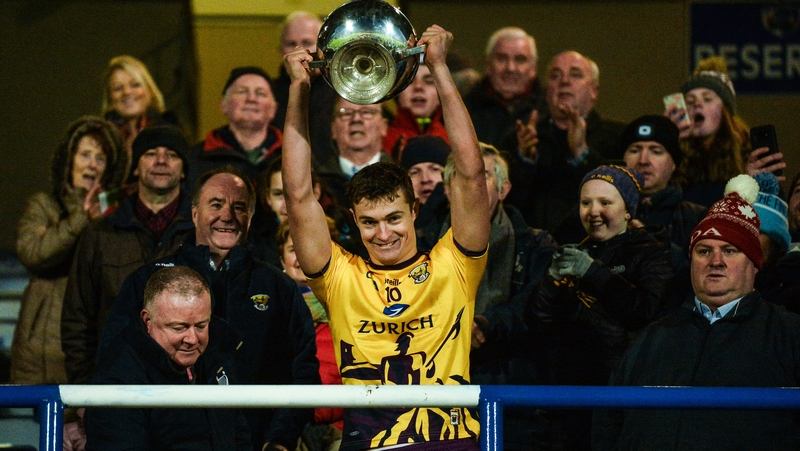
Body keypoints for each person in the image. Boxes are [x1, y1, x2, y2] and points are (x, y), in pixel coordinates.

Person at [282, 24, 491, 451]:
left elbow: (471, 176)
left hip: (451, 444)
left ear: (415, 211)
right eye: (369, 222)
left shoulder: (454, 263)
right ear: (355, 224)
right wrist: (299, 91)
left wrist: (439, 69)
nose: (383, 233)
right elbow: (298, 194)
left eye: (394, 217)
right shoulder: (340, 276)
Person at [99, 166, 320, 451]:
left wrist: (279, 439)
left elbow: (304, 372)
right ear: (194, 214)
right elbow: (113, 364)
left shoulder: (279, 287)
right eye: (215, 204)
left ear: (250, 219)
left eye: (238, 207)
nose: (227, 216)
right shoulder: (146, 282)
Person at [593, 174, 800, 451]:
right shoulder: (652, 337)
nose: (716, 261)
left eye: (730, 250)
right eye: (704, 251)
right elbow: (609, 419)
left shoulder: (789, 335)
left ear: (754, 264)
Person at [419, 144, 557, 450]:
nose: (470, 185)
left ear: (504, 188)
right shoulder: (420, 243)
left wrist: (486, 324)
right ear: (446, 188)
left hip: (513, 390)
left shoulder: (535, 245)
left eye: (480, 175)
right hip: (436, 386)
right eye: (461, 176)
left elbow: (538, 307)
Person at [528, 165, 672, 450]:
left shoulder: (651, 252)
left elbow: (643, 310)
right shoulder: (574, 251)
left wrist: (593, 272)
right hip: (566, 400)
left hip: (619, 397)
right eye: (586, 203)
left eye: (605, 202)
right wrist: (550, 281)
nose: (593, 211)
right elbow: (536, 321)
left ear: (628, 210)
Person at [61, 124, 194, 384]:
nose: (161, 161)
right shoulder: (99, 234)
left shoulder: (203, 233)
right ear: (135, 167)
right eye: (150, 153)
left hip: (185, 392)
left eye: (172, 155)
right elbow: (77, 322)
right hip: (115, 387)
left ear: (183, 171)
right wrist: (86, 394)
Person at [10, 116, 127, 385]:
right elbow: (33, 254)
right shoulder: (43, 206)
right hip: (38, 354)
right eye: (85, 154)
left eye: (100, 158)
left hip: (91, 349)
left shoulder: (117, 216)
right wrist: (81, 218)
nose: (92, 164)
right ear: (69, 160)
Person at [84, 265, 251, 451]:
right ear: (148, 321)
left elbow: (238, 434)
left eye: (201, 326)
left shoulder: (218, 357)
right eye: (179, 328)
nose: (192, 339)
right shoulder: (117, 380)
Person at [504, 51, 624, 233]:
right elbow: (506, 204)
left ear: (594, 91)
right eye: (555, 76)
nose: (564, 81)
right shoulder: (519, 139)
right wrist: (524, 162)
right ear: (546, 90)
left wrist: (582, 154)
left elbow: (617, 201)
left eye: (575, 75)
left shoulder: (617, 138)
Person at [668, 56, 785, 207]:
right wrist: (666, 143)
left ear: (725, 111)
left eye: (707, 99)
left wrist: (751, 184)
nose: (697, 104)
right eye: (689, 101)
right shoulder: (674, 158)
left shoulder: (750, 155)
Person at [276, 220, 344, 451]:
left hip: (342, 428)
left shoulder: (349, 304)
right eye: (294, 250)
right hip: (285, 427)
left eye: (311, 246)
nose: (303, 256)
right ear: (282, 259)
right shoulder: (269, 309)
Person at [186, 66, 282, 190]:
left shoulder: (294, 156)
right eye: (242, 92)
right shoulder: (194, 159)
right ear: (224, 105)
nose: (251, 99)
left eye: (261, 93)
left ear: (273, 109)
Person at [270, 11, 338, 172]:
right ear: (281, 51)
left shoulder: (344, 92)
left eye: (307, 42)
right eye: (290, 43)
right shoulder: (267, 95)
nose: (299, 50)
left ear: (324, 47)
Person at [464, 27, 544, 148]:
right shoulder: (463, 110)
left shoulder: (548, 112)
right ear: (487, 65)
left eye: (520, 60)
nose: (510, 68)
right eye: (502, 58)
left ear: (534, 68)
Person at [315, 97, 393, 208]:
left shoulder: (402, 179)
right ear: (333, 129)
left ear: (384, 126)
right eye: (346, 113)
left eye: (366, 112)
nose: (356, 119)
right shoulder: (318, 183)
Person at [101, 55, 174, 166]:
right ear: (109, 98)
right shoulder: (101, 139)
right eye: (118, 88)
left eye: (135, 85)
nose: (127, 92)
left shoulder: (171, 132)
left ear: (149, 90)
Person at [384, 64, 449, 158]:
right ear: (396, 92)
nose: (418, 87)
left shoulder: (453, 140)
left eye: (429, 82)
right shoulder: (379, 138)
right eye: (409, 81)